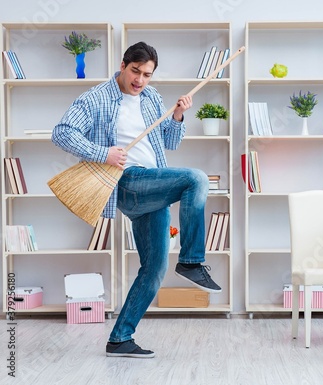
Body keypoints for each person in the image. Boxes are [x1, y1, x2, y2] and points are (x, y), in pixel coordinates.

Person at [52, 41, 221, 359]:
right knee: (196, 178)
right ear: (122, 64)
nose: (140, 80)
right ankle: (191, 260)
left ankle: (120, 339)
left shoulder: (152, 97)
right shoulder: (96, 98)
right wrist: (103, 152)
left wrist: (179, 117)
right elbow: (61, 132)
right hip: (127, 182)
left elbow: (169, 143)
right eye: (135, 71)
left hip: (152, 186)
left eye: (147, 74)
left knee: (155, 267)